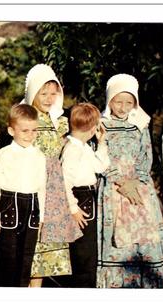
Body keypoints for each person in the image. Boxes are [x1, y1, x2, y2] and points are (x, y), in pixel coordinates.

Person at [97, 73, 163, 288]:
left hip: (139, 188)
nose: (123, 106)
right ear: (109, 100)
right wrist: (120, 182)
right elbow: (98, 156)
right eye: (118, 101)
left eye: (129, 102)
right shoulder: (101, 124)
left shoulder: (141, 125)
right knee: (117, 242)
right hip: (113, 189)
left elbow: (147, 156)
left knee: (144, 239)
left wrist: (135, 182)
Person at [21, 64, 80, 287]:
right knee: (31, 248)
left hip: (56, 190)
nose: (48, 98)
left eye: (52, 93)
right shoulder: (27, 118)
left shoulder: (62, 122)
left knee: (45, 254)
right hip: (33, 186)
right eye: (42, 92)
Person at [0, 104, 46, 287]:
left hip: (32, 208)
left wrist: (42, 217)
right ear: (12, 130)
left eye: (34, 130)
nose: (30, 135)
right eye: (25, 130)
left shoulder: (39, 155)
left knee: (26, 258)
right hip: (9, 207)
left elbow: (41, 188)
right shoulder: (4, 154)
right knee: (8, 258)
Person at [61, 102, 110, 288]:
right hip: (78, 199)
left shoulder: (84, 146)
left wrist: (101, 143)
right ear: (92, 128)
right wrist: (73, 208)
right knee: (82, 252)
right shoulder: (72, 149)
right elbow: (65, 181)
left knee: (89, 250)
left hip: (89, 197)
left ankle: (87, 286)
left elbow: (101, 167)